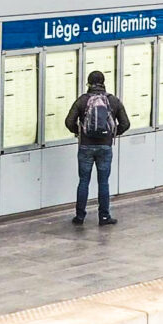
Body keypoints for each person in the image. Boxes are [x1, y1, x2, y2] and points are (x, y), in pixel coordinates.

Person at [64, 71, 130, 226]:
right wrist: (113, 133)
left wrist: (78, 132)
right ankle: (104, 217)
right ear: (103, 82)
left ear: (88, 83)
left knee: (83, 181)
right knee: (104, 182)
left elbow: (69, 122)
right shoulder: (113, 101)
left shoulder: (82, 101)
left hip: (86, 146)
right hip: (105, 147)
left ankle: (80, 217)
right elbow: (125, 124)